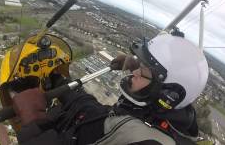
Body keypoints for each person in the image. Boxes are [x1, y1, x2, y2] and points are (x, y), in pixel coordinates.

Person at [12, 33, 209, 145]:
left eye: (143, 71)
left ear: (167, 92)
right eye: (138, 66)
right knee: (80, 101)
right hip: (99, 123)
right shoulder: (159, 111)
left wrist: (33, 122)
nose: (135, 73)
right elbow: (94, 112)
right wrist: (58, 80)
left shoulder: (146, 142)